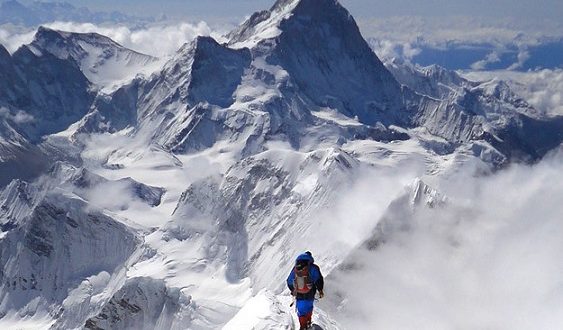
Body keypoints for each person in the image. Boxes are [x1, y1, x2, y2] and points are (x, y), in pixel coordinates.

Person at [287, 251, 324, 330]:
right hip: (310, 293)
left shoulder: (295, 269)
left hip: (299, 294)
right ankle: (308, 323)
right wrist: (320, 290)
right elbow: (318, 280)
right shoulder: (313, 267)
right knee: (309, 307)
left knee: (301, 311)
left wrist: (293, 290)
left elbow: (289, 281)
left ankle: (303, 326)